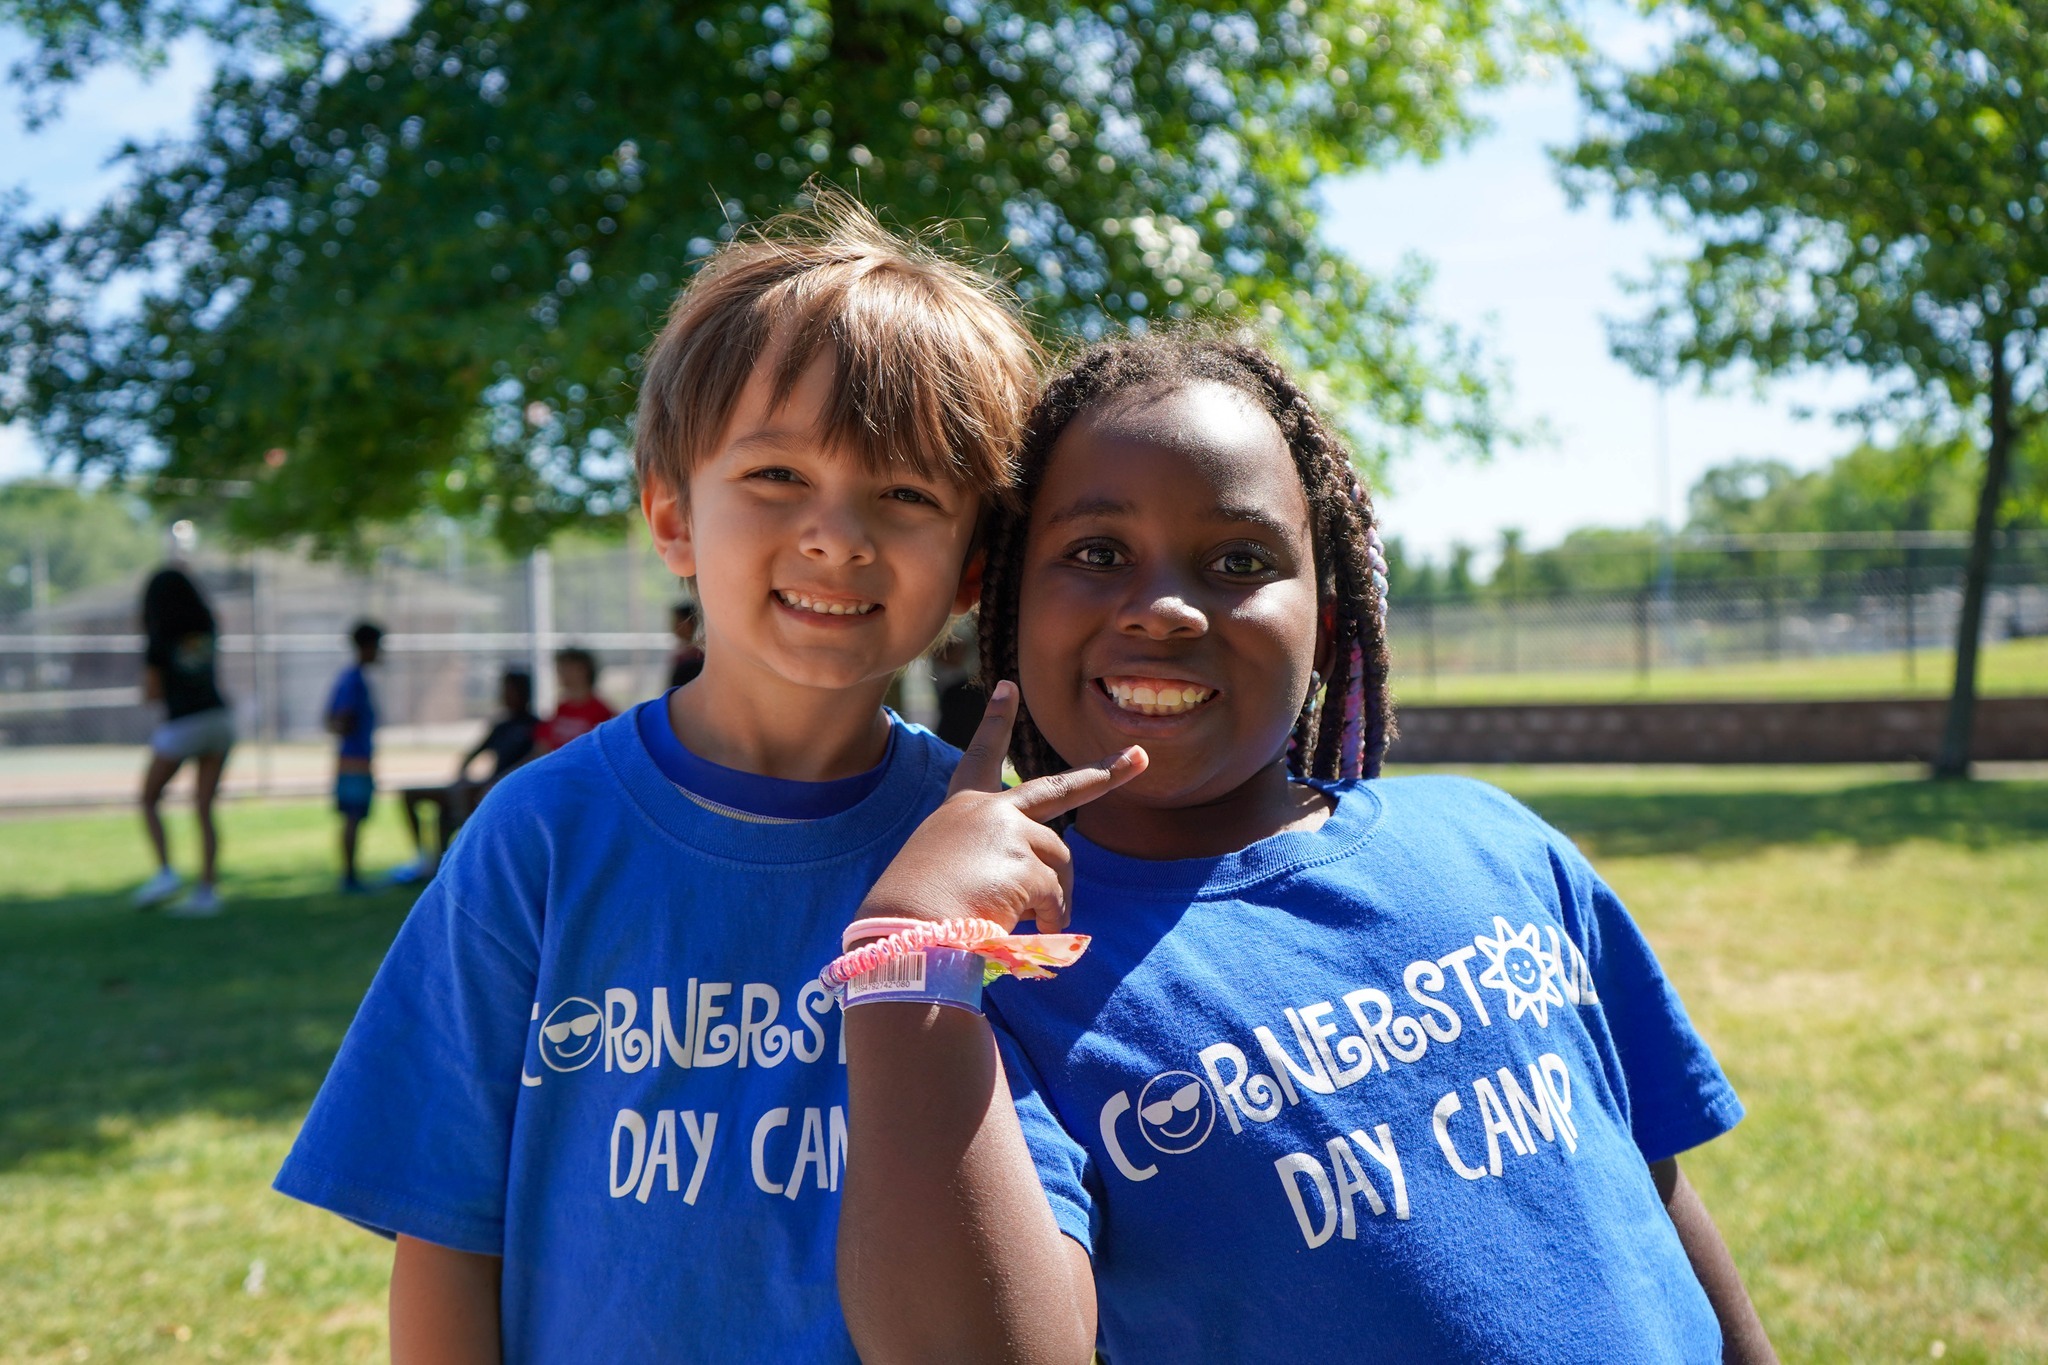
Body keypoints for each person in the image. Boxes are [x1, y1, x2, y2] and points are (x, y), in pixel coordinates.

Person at [837, 332, 1778, 1363]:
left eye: (1238, 562)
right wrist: (910, 955)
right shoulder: (1008, 977)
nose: (1159, 608)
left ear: (1325, 622)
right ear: (1011, 607)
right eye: (1096, 554)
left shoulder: (1495, 843)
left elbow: (1646, 1186)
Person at [272, 191, 1043, 1361]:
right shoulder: (537, 833)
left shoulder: (980, 854)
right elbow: (445, 1233)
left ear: (973, 569)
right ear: (674, 519)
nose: (837, 535)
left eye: (905, 495)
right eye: (778, 476)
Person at [133, 556, 234, 917]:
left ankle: (164, 872)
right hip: (220, 718)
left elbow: (153, 692)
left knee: (148, 798)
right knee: (204, 808)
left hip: (184, 724)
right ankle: (207, 890)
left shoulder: (159, 637)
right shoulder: (207, 624)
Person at [391, 668, 541, 882]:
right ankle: (426, 860)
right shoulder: (501, 725)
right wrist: (462, 776)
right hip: (481, 786)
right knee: (413, 795)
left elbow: (531, 762)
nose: (504, 695)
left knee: (453, 810)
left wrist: (494, 783)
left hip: (502, 790)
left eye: (510, 690)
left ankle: (446, 864)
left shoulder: (535, 726)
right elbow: (473, 755)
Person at [325, 621, 383, 893]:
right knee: (352, 816)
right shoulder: (353, 681)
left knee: (355, 817)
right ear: (368, 646)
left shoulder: (353, 678)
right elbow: (337, 719)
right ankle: (349, 877)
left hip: (356, 759)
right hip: (354, 761)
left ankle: (351, 875)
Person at [535, 647, 614, 752]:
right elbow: (543, 745)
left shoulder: (602, 712)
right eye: (560, 668)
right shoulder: (562, 709)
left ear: (584, 670)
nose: (561, 673)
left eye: (568, 668)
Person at [668, 600, 705, 688]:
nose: (673, 627)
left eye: (677, 622)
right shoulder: (683, 654)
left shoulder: (694, 657)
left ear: (689, 623)